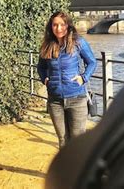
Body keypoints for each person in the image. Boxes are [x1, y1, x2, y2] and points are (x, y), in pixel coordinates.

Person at [37, 11, 97, 148]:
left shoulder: (78, 42)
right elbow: (40, 67)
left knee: (77, 141)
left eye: (62, 24)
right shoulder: (47, 45)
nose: (58, 28)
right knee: (63, 141)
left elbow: (92, 62)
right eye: (55, 25)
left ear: (68, 25)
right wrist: (45, 80)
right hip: (55, 100)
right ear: (50, 27)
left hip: (77, 98)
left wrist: (83, 78)